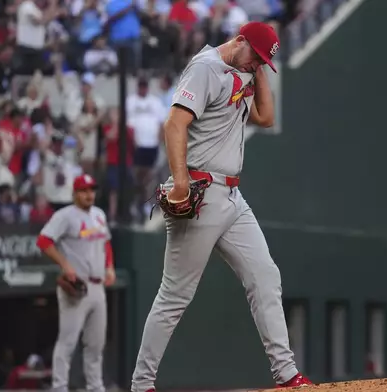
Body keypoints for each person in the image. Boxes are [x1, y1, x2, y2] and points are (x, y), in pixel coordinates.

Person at [131, 21, 312, 390]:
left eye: (262, 62)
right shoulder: (206, 68)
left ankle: (286, 374)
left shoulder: (243, 70)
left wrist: (259, 64)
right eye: (255, 56)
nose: (255, 66)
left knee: (265, 277)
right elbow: (174, 124)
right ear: (239, 40)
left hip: (232, 197)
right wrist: (181, 181)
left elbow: (265, 116)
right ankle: (141, 384)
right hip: (199, 189)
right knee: (175, 294)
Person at [35, 174, 116, 392]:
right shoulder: (65, 216)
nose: (89, 194)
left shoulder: (99, 214)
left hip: (98, 287)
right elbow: (43, 241)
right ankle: (59, 387)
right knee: (67, 342)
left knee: (96, 344)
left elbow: (106, 243)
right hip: (77, 288)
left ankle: (95, 387)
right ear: (75, 193)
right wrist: (65, 264)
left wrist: (110, 266)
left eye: (91, 190)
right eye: (84, 190)